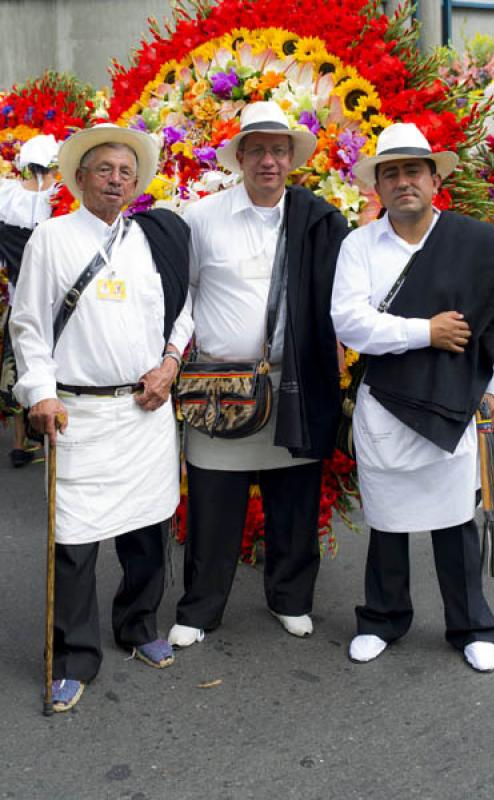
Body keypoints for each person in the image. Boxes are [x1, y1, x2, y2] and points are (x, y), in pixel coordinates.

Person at [331, 123, 494, 673]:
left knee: (453, 522)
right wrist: (427, 331)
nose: (402, 182)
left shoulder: (476, 244)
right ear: (377, 185)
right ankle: (382, 618)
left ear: (435, 178)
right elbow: (350, 323)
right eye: (390, 173)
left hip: (455, 406)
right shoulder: (359, 246)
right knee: (388, 522)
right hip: (385, 407)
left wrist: (492, 388)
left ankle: (471, 625)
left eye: (412, 170)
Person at [10, 124, 193, 711]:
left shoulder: (151, 240)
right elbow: (29, 325)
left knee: (147, 529)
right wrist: (39, 391)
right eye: (104, 170)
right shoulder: (52, 237)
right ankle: (73, 656)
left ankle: (139, 627)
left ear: (136, 183)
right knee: (76, 541)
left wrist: (169, 363)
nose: (115, 180)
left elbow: (181, 309)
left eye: (125, 172)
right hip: (78, 414)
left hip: (144, 412)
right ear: (81, 177)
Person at [168, 101, 348, 648]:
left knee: (293, 501)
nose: (268, 160)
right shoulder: (203, 217)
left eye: (278, 149)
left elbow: (342, 297)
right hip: (219, 389)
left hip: (294, 383)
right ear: (240, 156)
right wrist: (174, 357)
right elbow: (186, 297)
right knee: (212, 507)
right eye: (258, 150)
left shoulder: (318, 219)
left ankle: (291, 599)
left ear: (291, 157)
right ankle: (199, 610)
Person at [0, 134, 58, 467]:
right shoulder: (58, 200)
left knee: (19, 366)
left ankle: (20, 443)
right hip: (54, 302)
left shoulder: (7, 197)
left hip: (19, 297)